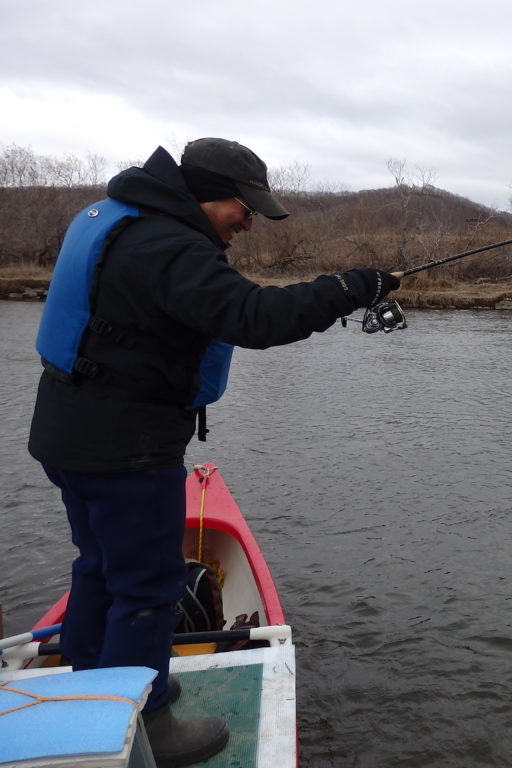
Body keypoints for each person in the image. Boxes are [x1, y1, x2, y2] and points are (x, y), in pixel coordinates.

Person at [27, 138, 399, 767]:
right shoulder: (167, 246)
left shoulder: (123, 221)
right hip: (126, 446)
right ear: (204, 194)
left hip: (70, 434)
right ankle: (144, 726)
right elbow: (254, 317)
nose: (249, 220)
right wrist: (350, 286)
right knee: (147, 588)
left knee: (98, 568)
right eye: (243, 205)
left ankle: (91, 688)